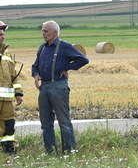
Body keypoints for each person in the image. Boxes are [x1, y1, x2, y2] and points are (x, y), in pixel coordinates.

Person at [31, 20, 89, 155]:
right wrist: (36, 75)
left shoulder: (64, 46)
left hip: (58, 86)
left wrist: (68, 67)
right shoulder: (42, 48)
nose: (43, 34)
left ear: (55, 33)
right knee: (45, 122)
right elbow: (35, 66)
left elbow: (83, 59)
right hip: (44, 87)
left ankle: (69, 151)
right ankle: (50, 152)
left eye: (46, 31)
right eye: (42, 31)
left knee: (64, 121)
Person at [0, 21, 25, 155]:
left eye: (3, 34)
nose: (2, 37)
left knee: (9, 125)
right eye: (0, 34)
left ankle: (9, 150)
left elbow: (14, 77)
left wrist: (18, 93)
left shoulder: (7, 55)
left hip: (7, 100)